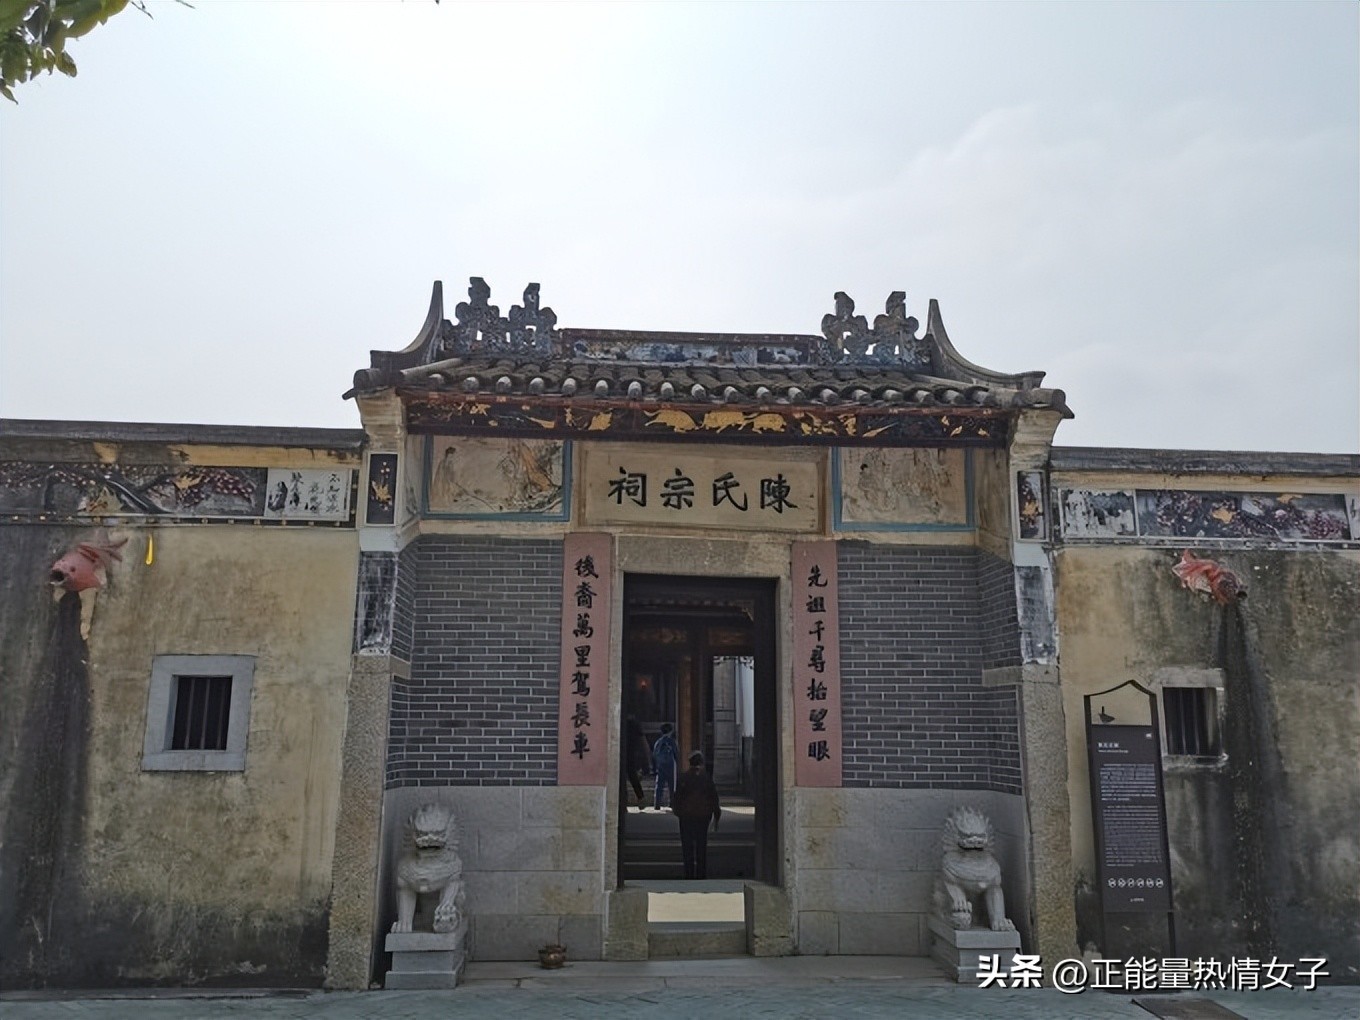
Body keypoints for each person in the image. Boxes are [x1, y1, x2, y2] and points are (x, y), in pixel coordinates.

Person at [672, 751, 722, 879]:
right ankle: (701, 874)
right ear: (701, 763)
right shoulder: (706, 779)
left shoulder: (683, 778)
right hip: (703, 816)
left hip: (686, 817)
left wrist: (678, 812)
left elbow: (676, 799)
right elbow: (714, 799)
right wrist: (716, 816)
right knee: (701, 845)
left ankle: (688, 873)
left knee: (687, 846)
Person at [651, 723, 678, 810]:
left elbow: (654, 754)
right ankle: (672, 803)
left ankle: (657, 804)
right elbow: (676, 753)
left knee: (659, 785)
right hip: (670, 765)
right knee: (671, 785)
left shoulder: (658, 742)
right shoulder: (671, 741)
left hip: (660, 766)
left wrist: (655, 766)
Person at [623, 714, 649, 804]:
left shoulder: (625, 724)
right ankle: (640, 797)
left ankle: (625, 800)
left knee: (626, 776)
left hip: (626, 753)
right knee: (632, 776)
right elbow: (643, 741)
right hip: (632, 753)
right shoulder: (635, 725)